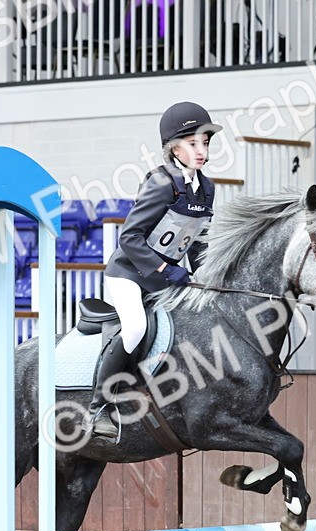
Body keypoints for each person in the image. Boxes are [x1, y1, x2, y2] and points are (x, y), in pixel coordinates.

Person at [88, 100, 221, 440]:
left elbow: (198, 239)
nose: (201, 150)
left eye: (205, 142)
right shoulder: (161, 183)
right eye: (193, 143)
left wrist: (204, 277)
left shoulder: (207, 188)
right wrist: (164, 267)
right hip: (129, 274)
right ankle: (98, 407)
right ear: (174, 148)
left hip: (165, 279)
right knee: (135, 327)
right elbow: (129, 237)